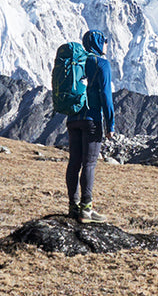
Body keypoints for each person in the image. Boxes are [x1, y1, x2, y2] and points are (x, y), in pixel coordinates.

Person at [66, 29, 115, 223]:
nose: (106, 45)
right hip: (91, 119)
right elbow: (106, 95)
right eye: (105, 41)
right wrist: (110, 123)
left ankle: (73, 206)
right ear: (98, 43)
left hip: (72, 119)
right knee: (89, 163)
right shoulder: (101, 63)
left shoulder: (77, 62)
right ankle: (86, 209)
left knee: (74, 162)